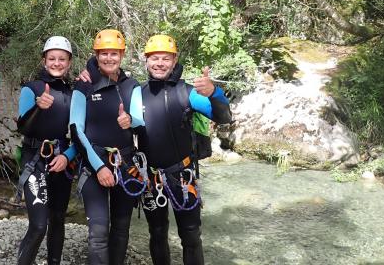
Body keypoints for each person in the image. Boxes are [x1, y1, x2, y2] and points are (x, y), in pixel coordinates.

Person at [139, 34, 232, 265]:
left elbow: (223, 117)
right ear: (146, 60)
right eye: (154, 58)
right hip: (151, 177)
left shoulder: (187, 92)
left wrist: (213, 93)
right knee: (157, 233)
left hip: (182, 173)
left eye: (165, 58)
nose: (160, 63)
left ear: (174, 60)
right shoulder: (137, 93)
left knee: (190, 235)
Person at [69, 29, 145, 265]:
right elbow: (75, 129)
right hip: (94, 164)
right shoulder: (84, 86)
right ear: (96, 55)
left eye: (114, 53)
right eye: (104, 54)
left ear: (121, 55)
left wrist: (130, 121)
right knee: (99, 233)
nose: (109, 58)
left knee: (121, 229)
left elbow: (140, 120)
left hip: (125, 163)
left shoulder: (132, 85)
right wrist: (99, 167)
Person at [16, 36, 77, 265]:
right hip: (35, 159)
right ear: (44, 60)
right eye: (52, 58)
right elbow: (22, 126)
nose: (57, 63)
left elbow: (79, 133)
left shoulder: (73, 94)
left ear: (69, 62)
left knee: (58, 219)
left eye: (62, 59)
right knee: (39, 223)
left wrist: (67, 156)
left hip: (61, 160)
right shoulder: (31, 89)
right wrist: (38, 108)